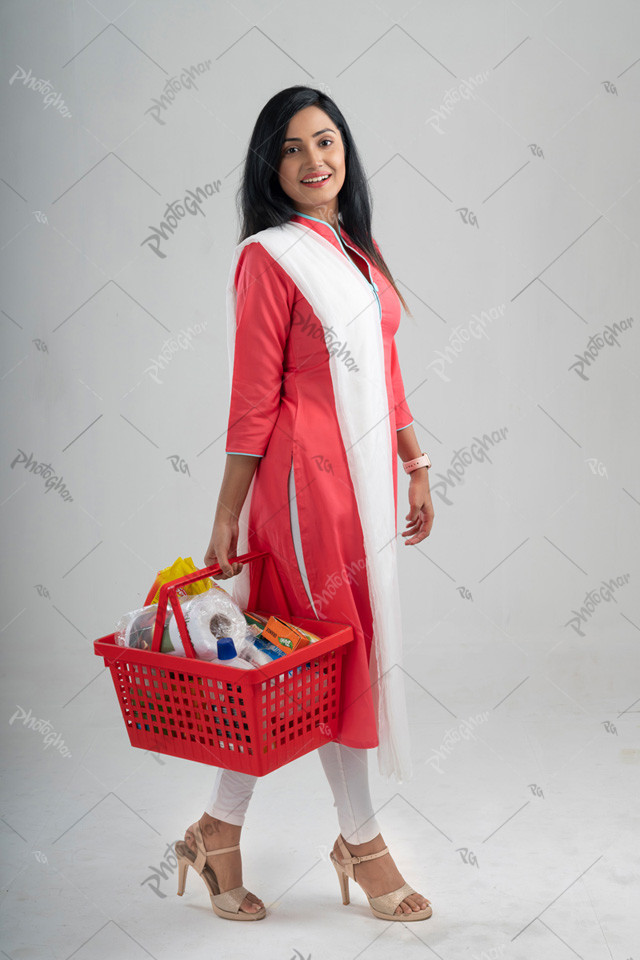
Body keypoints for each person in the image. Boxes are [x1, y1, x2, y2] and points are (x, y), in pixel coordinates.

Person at [173, 86, 435, 923]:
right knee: (327, 656)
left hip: (362, 484)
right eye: (293, 149)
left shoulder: (356, 248)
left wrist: (416, 461)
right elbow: (253, 397)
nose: (316, 161)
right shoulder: (269, 258)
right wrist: (226, 514)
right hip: (302, 489)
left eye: (327, 142)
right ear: (270, 167)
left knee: (306, 663)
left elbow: (385, 374)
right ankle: (360, 841)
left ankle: (216, 830)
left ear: (345, 150)